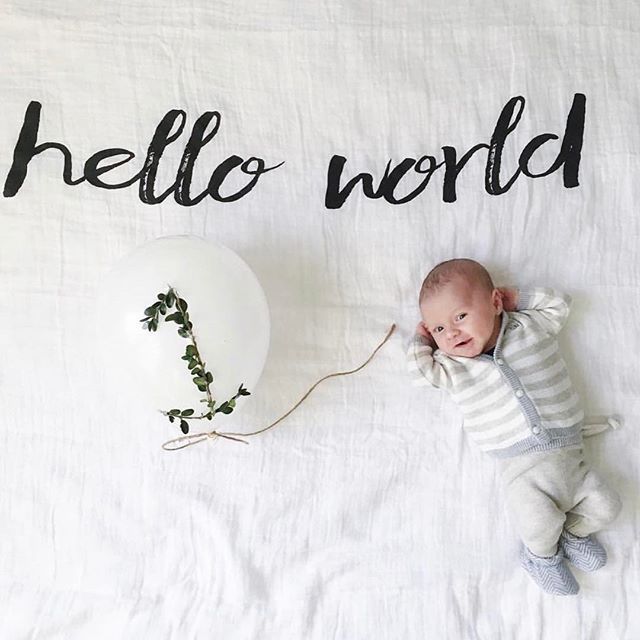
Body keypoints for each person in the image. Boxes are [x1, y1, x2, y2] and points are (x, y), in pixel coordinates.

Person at [407, 258, 621, 595]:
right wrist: (420, 341)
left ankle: (574, 533)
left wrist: (515, 299)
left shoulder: (528, 326)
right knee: (539, 523)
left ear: (494, 303)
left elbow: (559, 304)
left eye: (460, 316)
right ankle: (541, 559)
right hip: (522, 471)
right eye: (438, 329)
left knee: (607, 505)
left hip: (572, 457)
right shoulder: (453, 368)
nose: (451, 333)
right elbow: (421, 375)